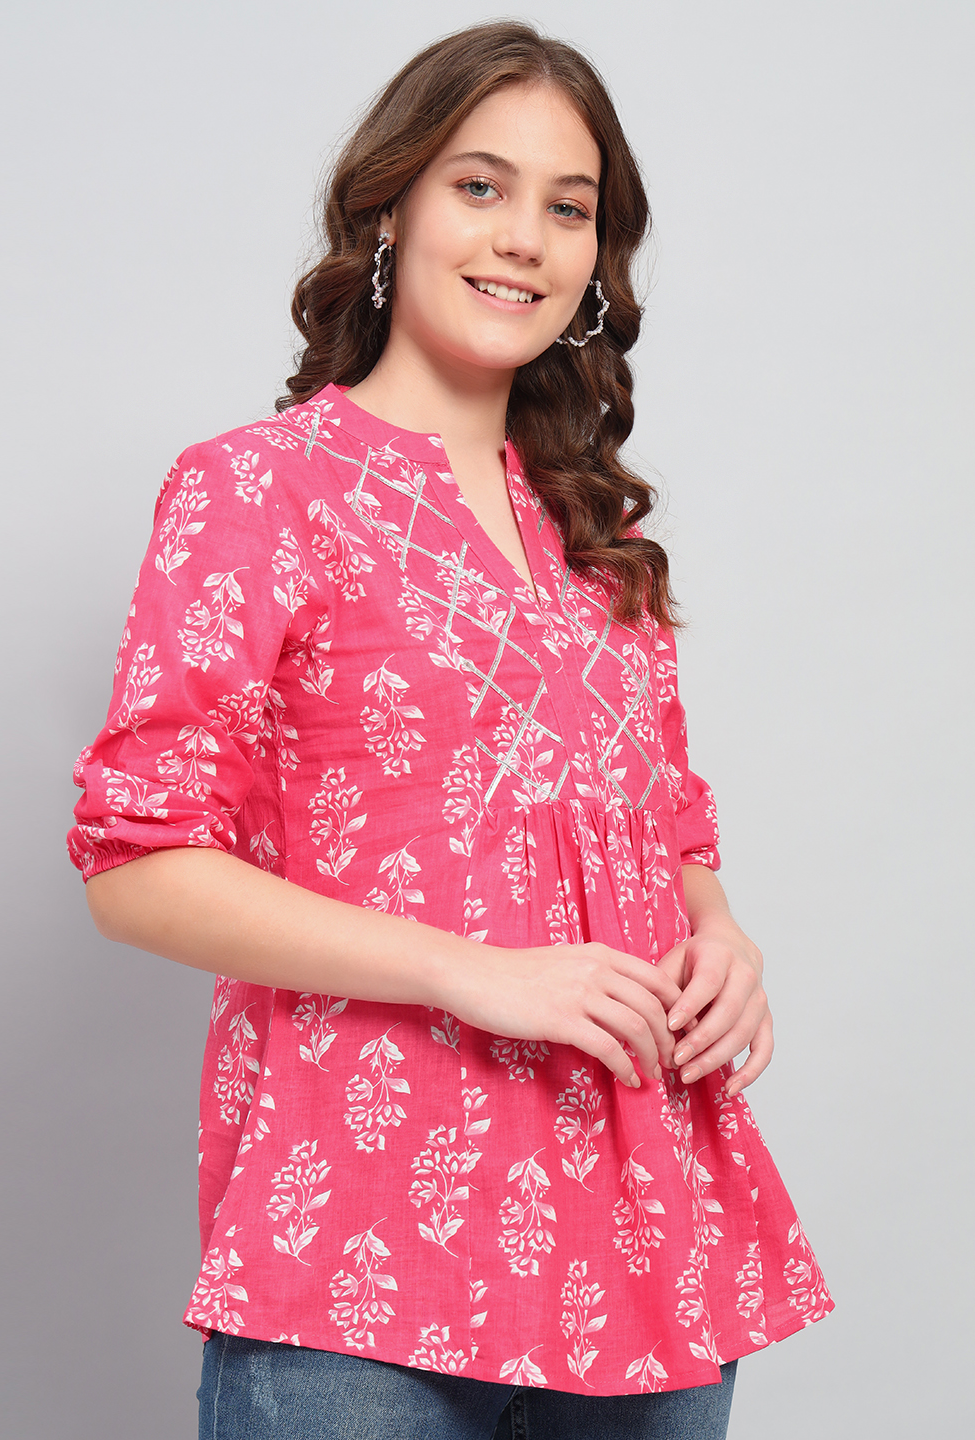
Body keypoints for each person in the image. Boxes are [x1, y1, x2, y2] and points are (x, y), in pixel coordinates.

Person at [69, 20, 832, 1439]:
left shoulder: (601, 535)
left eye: (568, 207)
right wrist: (468, 972)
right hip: (360, 1264)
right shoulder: (259, 492)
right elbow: (137, 864)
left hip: (645, 1253)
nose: (524, 238)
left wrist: (722, 937)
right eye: (480, 186)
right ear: (390, 208)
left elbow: (665, 823)